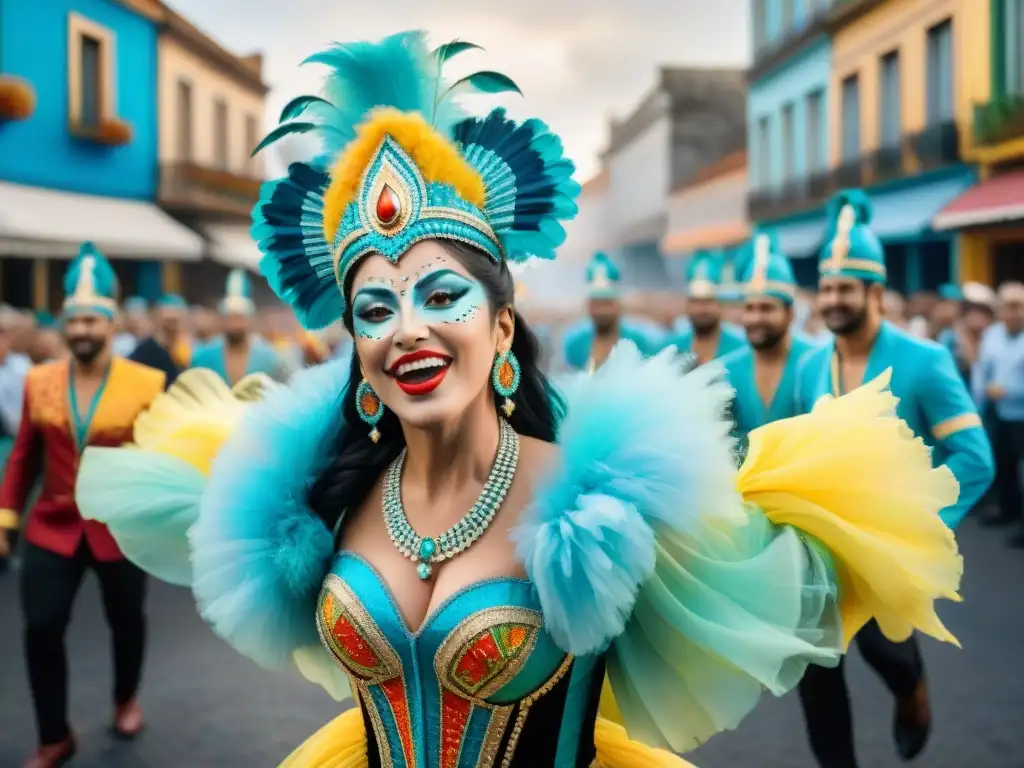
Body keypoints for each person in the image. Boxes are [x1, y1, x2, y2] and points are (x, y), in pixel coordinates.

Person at [74, 32, 964, 768]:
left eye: (442, 297)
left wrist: (877, 581)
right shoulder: (319, 495)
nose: (407, 330)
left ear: (502, 329)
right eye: (375, 309)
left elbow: (778, 583)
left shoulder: (603, 505)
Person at [794, 190, 994, 768]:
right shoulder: (811, 364)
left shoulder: (926, 361)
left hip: (891, 547)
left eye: (845, 289)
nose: (832, 299)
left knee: (888, 652)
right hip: (823, 549)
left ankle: (913, 691)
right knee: (816, 671)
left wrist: (917, 520)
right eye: (826, 288)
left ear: (875, 292)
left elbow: (975, 458)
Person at [0, 243, 166, 768]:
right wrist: (5, 517)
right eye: (75, 321)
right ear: (65, 325)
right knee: (42, 626)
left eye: (94, 320)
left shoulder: (147, 383)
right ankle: (54, 736)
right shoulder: (38, 380)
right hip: (52, 526)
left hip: (121, 529)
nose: (83, 331)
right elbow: (24, 456)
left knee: (127, 622)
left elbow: (163, 458)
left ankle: (125, 698)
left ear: (111, 324)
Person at [721, 230, 813, 452]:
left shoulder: (816, 363)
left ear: (790, 313)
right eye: (749, 308)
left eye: (766, 308)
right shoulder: (724, 371)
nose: (756, 318)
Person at [972, 281, 1024, 543]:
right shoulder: (992, 333)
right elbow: (981, 369)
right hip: (999, 413)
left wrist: (1009, 390)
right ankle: (1007, 509)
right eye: (1006, 306)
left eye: (1017, 306)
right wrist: (979, 398)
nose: (1012, 312)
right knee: (1004, 465)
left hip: (1021, 412)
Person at [561, 252, 662, 372]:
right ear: (587, 305)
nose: (601, 311)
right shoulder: (575, 344)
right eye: (596, 304)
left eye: (607, 303)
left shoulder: (642, 341)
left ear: (620, 304)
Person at [190, 269, 289, 384]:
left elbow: (284, 394)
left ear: (250, 318)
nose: (235, 323)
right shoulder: (203, 357)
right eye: (230, 316)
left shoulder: (271, 359)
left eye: (240, 317)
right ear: (222, 318)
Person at [673, 250, 746, 365]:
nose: (700, 309)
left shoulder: (740, 349)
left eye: (707, 302)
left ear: (720, 304)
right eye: (695, 302)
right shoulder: (672, 348)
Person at [128, 294, 189, 387]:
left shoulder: (191, 353)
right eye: (168, 322)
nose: (172, 329)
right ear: (155, 320)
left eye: (175, 322)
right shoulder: (142, 355)